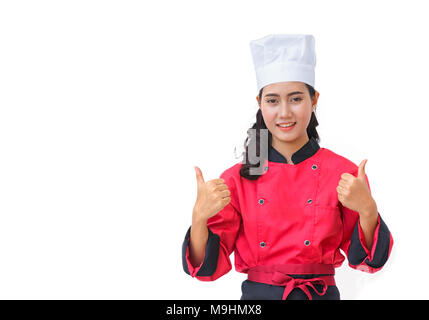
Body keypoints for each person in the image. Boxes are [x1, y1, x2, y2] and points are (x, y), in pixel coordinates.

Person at [181, 34, 393, 300]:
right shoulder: (238, 178)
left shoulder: (343, 172)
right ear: (259, 104)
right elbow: (205, 268)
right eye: (272, 100)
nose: (284, 113)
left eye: (295, 99)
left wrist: (367, 209)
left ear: (314, 100)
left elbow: (369, 261)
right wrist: (199, 218)